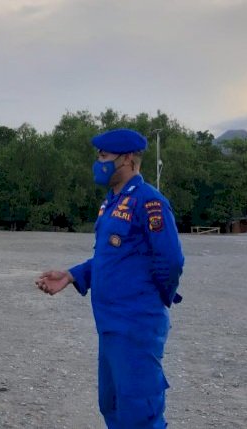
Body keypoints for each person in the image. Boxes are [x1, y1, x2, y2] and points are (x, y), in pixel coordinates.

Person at [35, 129, 184, 428]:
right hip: (110, 325)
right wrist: (71, 276)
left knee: (140, 410)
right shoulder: (112, 203)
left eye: (104, 156)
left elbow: (171, 260)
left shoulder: (149, 202)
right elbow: (109, 259)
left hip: (135, 325)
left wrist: (153, 301)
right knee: (112, 404)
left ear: (127, 159)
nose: (98, 162)